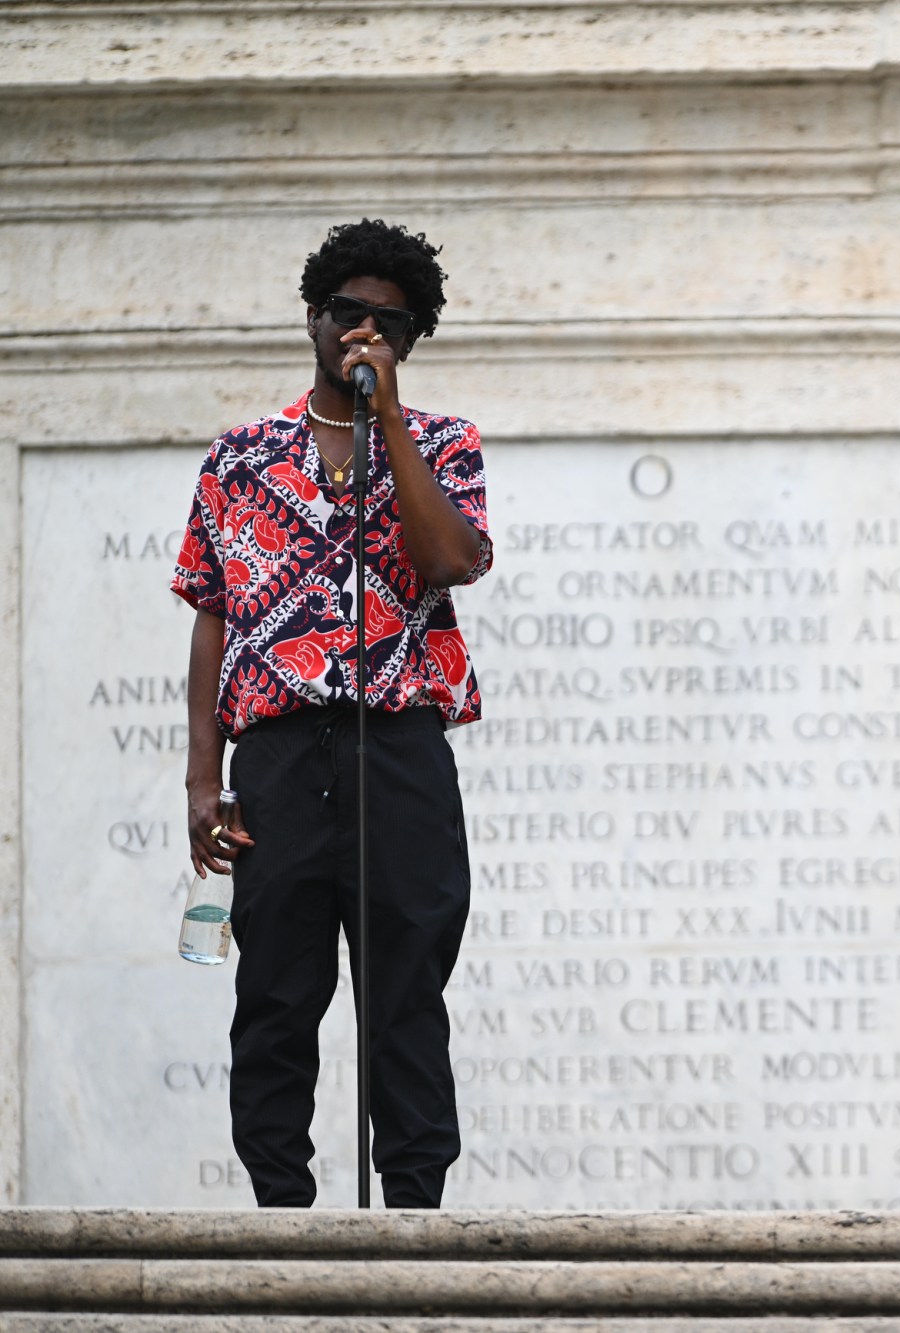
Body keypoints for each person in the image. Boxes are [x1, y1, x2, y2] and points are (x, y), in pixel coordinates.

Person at [173, 219, 490, 1208]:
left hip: (396, 745)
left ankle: (414, 1213)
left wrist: (388, 418)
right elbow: (211, 614)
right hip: (275, 751)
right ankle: (278, 1212)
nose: (363, 331)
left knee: (405, 989)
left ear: (409, 339)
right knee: (274, 989)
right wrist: (200, 776)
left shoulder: (443, 443)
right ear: (313, 317)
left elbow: (447, 563)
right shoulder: (240, 458)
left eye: (388, 323)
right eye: (348, 312)